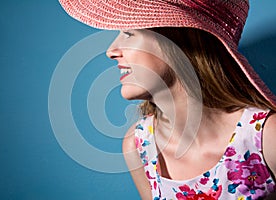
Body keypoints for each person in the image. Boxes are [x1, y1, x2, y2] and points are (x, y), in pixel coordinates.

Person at [59, 0, 276, 199]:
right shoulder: (139, 145)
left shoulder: (267, 136)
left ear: (177, 40)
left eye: (129, 33)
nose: (111, 51)